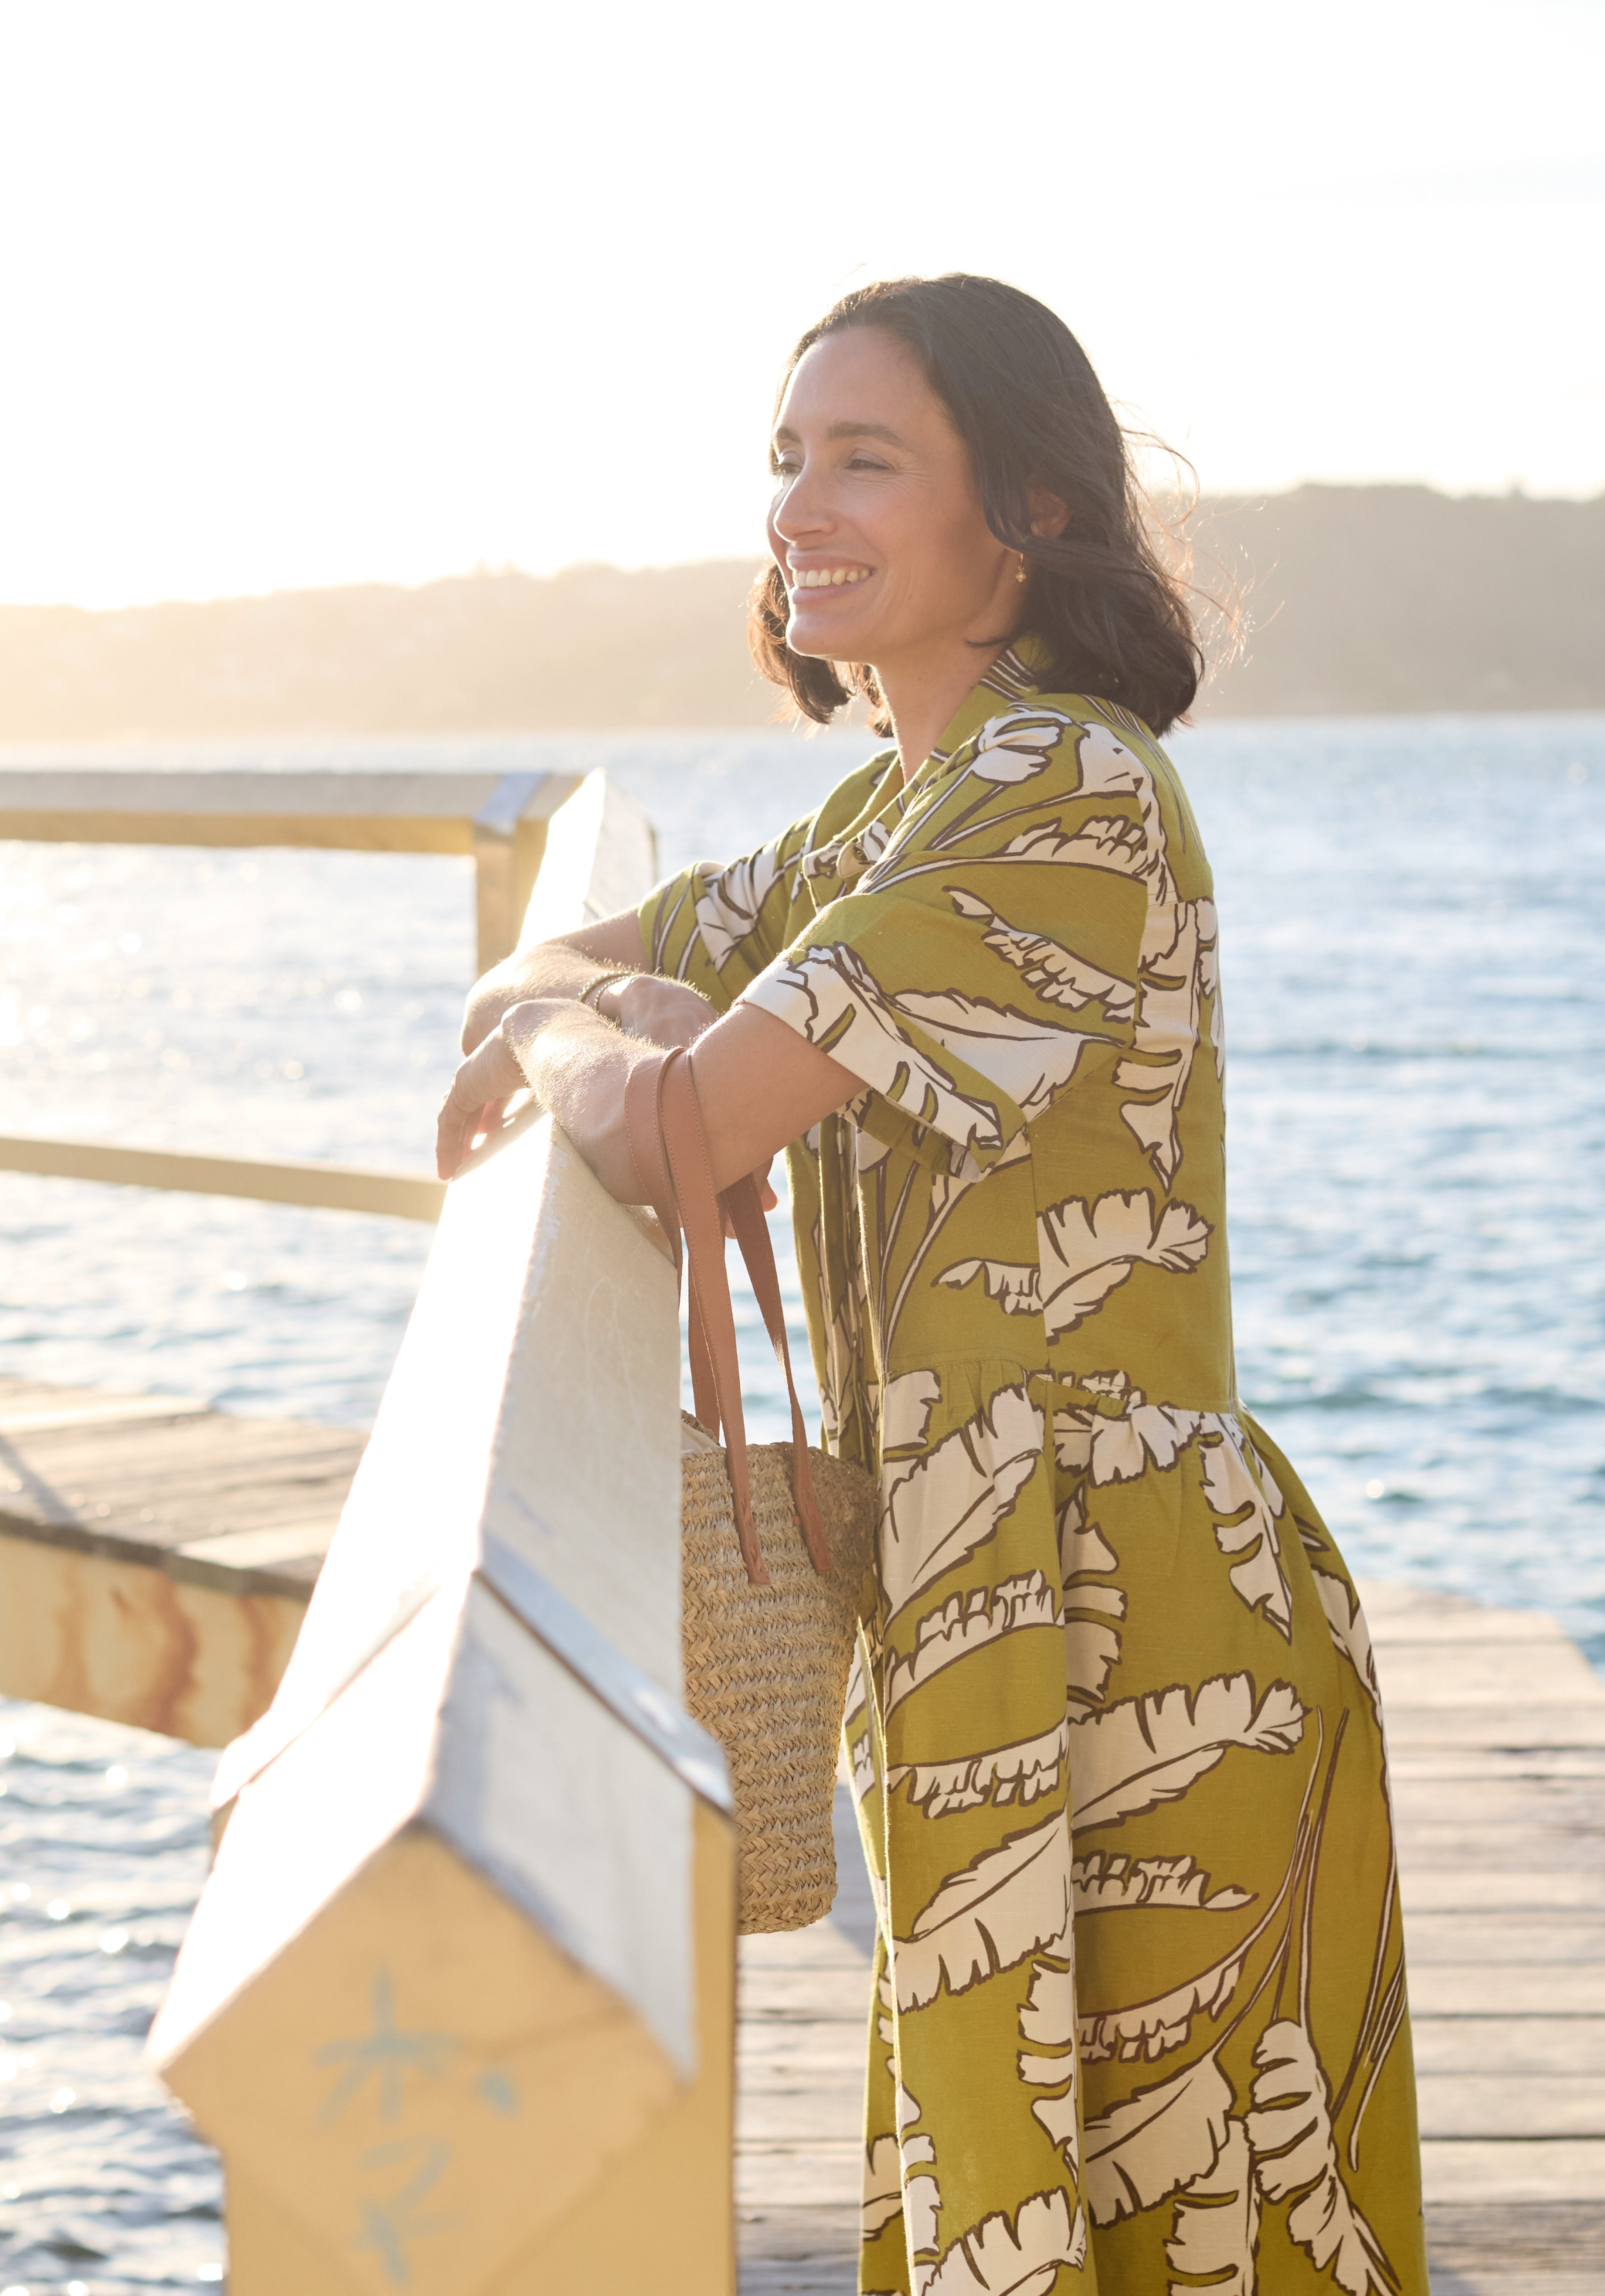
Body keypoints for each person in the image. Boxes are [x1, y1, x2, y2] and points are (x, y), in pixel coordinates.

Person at [438, 274, 1429, 2296]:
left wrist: (588, 1043)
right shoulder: (887, 812)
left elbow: (666, 1118)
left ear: (1029, 510)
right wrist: (602, 1013)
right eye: (785, 458)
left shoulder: (1062, 791)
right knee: (1012, 2205)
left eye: (864, 460)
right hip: (975, 1600)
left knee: (1179, 2224)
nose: (797, 507)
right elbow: (551, 972)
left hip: (1128, 1626)